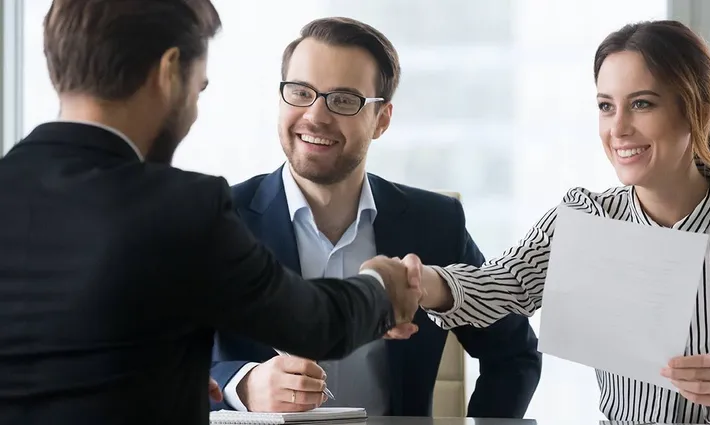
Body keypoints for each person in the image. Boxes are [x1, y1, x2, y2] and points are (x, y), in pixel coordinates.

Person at [0, 2, 420, 425]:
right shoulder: (182, 207)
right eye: (198, 87)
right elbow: (316, 324)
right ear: (169, 72)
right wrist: (382, 287)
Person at [405, 20, 710, 425]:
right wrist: (421, 282)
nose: (618, 128)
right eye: (607, 107)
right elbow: (505, 284)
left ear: (697, 109)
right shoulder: (590, 216)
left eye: (641, 104)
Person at [209, 17, 542, 418]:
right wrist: (241, 385)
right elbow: (146, 365)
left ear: (381, 119)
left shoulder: (435, 224)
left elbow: (514, 352)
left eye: (344, 100)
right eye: (300, 92)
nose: (315, 116)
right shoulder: (215, 219)